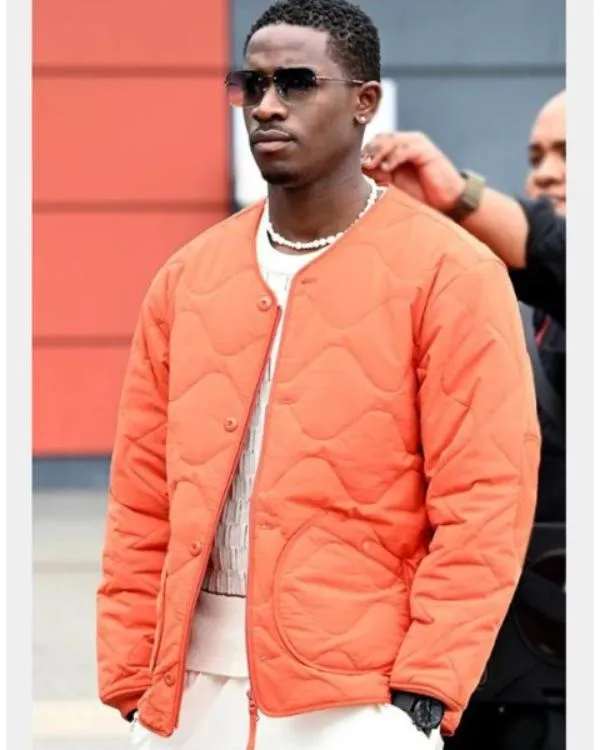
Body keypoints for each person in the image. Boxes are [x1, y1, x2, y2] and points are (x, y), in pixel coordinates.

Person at [96, 2, 541, 749]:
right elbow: (141, 495)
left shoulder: (452, 272)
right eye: (252, 84)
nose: (267, 105)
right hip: (186, 695)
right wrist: (129, 673)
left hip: (360, 698)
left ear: (365, 101)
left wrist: (429, 680)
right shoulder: (187, 277)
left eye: (297, 83)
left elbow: (486, 497)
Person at [362, 91, 566, 750]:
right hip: (488, 679)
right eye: (536, 156)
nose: (546, 173)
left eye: (571, 154)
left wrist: (459, 197)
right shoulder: (509, 306)